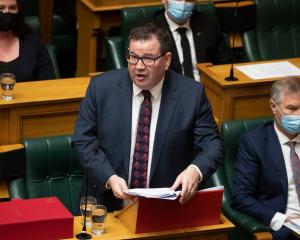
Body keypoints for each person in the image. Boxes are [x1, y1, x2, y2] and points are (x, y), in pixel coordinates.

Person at [72, 23, 223, 212]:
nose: (139, 67)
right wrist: (109, 178)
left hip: (167, 208)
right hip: (107, 205)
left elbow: (212, 146)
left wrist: (195, 170)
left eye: (148, 59)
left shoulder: (191, 95)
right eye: (133, 57)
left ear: (166, 60)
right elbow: (82, 141)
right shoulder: (101, 88)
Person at [231, 77, 300, 240]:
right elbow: (241, 197)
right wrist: (281, 219)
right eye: (292, 108)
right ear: (273, 107)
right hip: (286, 228)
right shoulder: (254, 143)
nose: (299, 114)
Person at [143, 0, 232, 81]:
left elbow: (226, 63)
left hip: (207, 90)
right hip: (169, 92)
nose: (183, 4)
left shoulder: (209, 23)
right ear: (164, 1)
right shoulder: (149, 29)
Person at [0, 0, 55, 82]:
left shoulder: (34, 44)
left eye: (12, 8)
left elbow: (48, 84)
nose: (7, 12)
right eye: (1, 8)